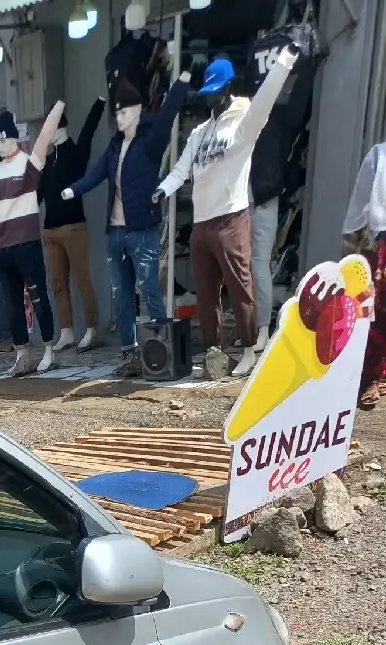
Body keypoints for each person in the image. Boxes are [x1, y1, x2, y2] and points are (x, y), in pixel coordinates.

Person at [155, 48, 299, 379]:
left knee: (240, 287)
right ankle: (213, 353)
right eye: (208, 94)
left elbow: (265, 99)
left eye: (216, 93)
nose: (211, 100)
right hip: (202, 222)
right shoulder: (199, 133)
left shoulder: (243, 124)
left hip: (232, 216)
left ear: (228, 88)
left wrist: (285, 61)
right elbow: (181, 168)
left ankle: (249, 349)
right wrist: (164, 188)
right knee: (206, 293)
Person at [63, 68, 191, 378]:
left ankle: (164, 351)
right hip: (115, 231)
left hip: (142, 229)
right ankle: (129, 353)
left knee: (148, 289)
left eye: (124, 111)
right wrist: (74, 189)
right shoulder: (113, 147)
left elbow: (166, 118)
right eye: (116, 112)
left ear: (137, 111)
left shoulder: (149, 142)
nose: (119, 117)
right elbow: (96, 174)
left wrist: (180, 86)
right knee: (122, 294)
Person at [0, 102, 66, 378]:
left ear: (14, 138)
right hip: (3, 247)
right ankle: (22, 354)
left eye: (4, 139)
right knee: (11, 303)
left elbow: (44, 139)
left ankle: (48, 350)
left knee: (38, 297)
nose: (0, 146)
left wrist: (56, 111)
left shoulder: (28, 165)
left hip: (27, 244)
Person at [246, 7, 325, 355]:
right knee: (247, 267)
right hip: (250, 193)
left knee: (256, 265)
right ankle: (254, 328)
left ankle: (260, 327)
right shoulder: (258, 117)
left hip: (261, 193)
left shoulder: (270, 118)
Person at [40, 97, 107, 352]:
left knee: (82, 279)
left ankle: (91, 329)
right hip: (50, 229)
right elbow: (38, 194)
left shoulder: (76, 152)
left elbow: (88, 130)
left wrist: (99, 103)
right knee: (57, 282)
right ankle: (66, 331)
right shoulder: (47, 160)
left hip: (73, 226)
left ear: (59, 128)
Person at [343, 140, 386, 410]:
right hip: (383, 239)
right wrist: (351, 244)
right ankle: (371, 376)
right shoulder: (379, 155)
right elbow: (360, 200)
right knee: (376, 311)